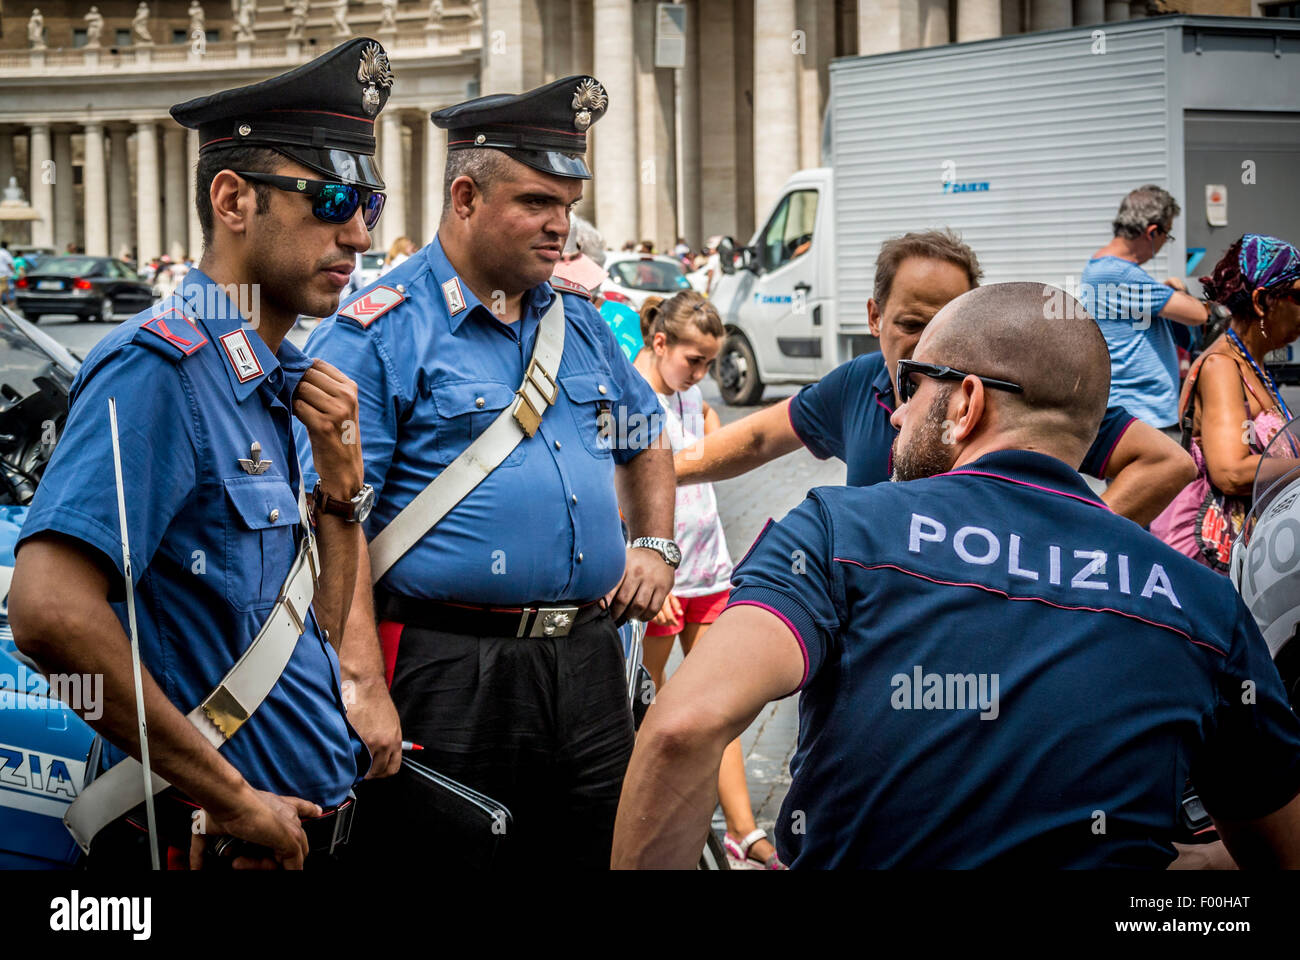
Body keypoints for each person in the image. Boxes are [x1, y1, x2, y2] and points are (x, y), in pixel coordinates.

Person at [612, 281, 1300, 869]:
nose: (901, 410)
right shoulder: (1201, 603)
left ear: (967, 403)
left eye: (914, 386)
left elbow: (681, 730)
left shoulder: (836, 531)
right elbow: (1278, 846)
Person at [7, 38, 390, 869]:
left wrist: (338, 495)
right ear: (232, 199)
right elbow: (47, 615)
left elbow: (309, 632)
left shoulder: (276, 380)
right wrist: (231, 796)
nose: (358, 234)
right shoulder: (159, 369)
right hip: (203, 842)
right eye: (329, 197)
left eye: (372, 202)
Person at [299, 74, 677, 871]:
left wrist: (655, 544)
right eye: (538, 202)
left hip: (588, 661)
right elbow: (330, 521)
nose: (561, 227)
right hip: (448, 666)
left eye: (569, 205)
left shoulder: (579, 321)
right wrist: (361, 682)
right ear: (465, 197)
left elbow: (646, 434)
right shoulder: (378, 333)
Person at [680, 230, 1196, 528]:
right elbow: (757, 436)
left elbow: (1165, 462)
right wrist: (657, 472)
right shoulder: (858, 384)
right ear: (874, 317)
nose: (929, 346)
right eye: (910, 325)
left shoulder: (1015, 387)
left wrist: (1073, 545)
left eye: (948, 324)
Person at [633, 291, 782, 869]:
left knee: (718, 707)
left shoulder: (692, 397)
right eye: (694, 360)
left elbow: (710, 460)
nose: (701, 374)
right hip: (660, 580)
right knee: (653, 711)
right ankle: (657, 832)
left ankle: (742, 833)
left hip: (709, 568)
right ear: (660, 342)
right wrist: (652, 573)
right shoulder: (634, 396)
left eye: (709, 363)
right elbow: (619, 498)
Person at [1150, 234, 1300, 569]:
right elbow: (1229, 472)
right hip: (1211, 554)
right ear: (1263, 301)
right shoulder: (1222, 366)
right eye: (1298, 295)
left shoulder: (1251, 362)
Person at [1081, 185, 1211, 432]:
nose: (1165, 242)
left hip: (1134, 412)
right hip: (1142, 414)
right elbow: (1198, 314)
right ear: (1152, 232)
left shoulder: (1101, 266)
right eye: (1167, 235)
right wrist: (1180, 290)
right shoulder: (1119, 273)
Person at [0, 241, 14, 305]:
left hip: (2, 274)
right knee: (4, 289)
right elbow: (9, 264)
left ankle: (8, 303)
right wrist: (14, 271)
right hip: (4, 274)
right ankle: (9, 303)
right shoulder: (6, 253)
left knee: (6, 290)